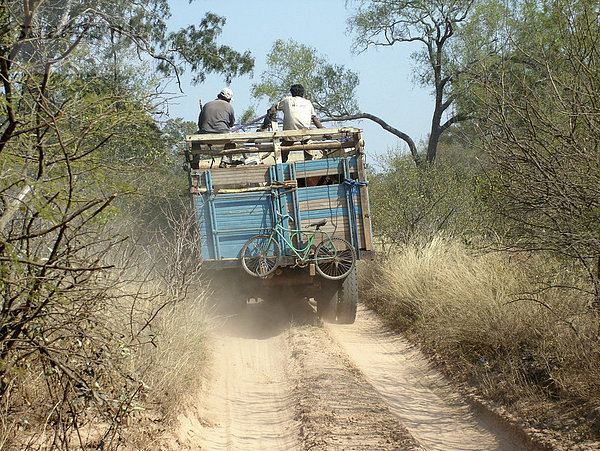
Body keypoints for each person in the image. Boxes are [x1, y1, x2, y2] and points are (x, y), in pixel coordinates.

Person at [264, 84, 324, 162]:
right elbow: (315, 119)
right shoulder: (308, 102)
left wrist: (270, 115)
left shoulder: (287, 100)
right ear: (303, 93)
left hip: (289, 132)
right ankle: (309, 160)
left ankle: (282, 161)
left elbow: (273, 109)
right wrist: (324, 132)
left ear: (292, 93)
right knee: (308, 146)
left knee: (284, 149)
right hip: (304, 132)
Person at [194, 87, 235, 168]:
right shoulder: (229, 106)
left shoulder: (207, 104)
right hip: (223, 135)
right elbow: (231, 124)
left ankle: (195, 163)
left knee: (194, 142)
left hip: (205, 134)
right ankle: (224, 161)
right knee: (232, 142)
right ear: (229, 99)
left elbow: (200, 124)